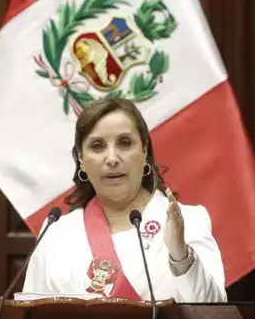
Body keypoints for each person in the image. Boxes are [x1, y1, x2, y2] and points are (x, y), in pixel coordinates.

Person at [23, 98, 227, 303]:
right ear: (81, 160)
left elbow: (213, 318)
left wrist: (180, 255)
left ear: (144, 151)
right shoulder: (55, 234)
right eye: (97, 146)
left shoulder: (189, 221)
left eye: (125, 143)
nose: (112, 158)